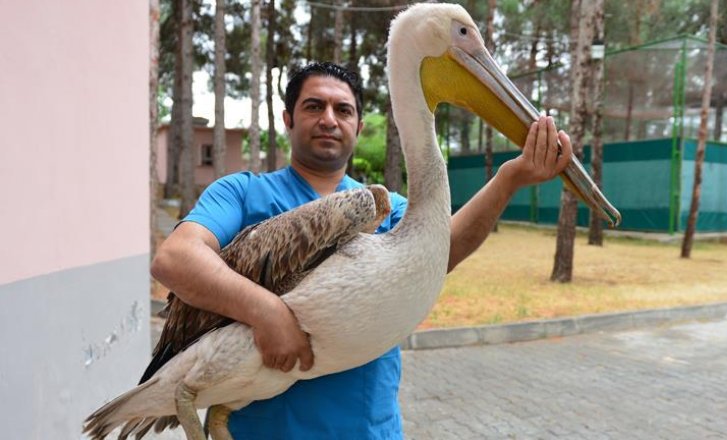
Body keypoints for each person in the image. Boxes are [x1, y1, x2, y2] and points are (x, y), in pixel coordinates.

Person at [151, 62, 573, 439]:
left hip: (368, 429)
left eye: (344, 110)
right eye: (314, 106)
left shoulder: (387, 207)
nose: (329, 119)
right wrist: (268, 313)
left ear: (359, 125)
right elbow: (175, 259)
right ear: (288, 118)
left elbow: (443, 250)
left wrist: (509, 179)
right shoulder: (243, 193)